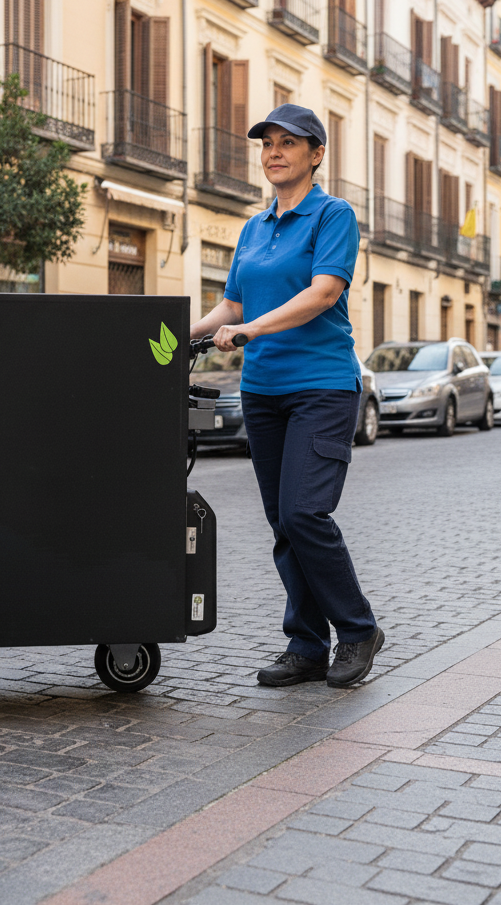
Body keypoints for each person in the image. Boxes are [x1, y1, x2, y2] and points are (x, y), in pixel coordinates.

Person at [190, 105, 383, 689]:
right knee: (283, 523)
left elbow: (323, 293)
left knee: (306, 512)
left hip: (322, 387)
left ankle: (357, 630)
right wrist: (173, 338)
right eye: (267, 143)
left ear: (315, 154)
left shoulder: (333, 216)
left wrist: (250, 330)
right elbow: (232, 305)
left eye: (289, 143)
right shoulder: (253, 228)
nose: (274, 152)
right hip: (263, 391)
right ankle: (305, 645)